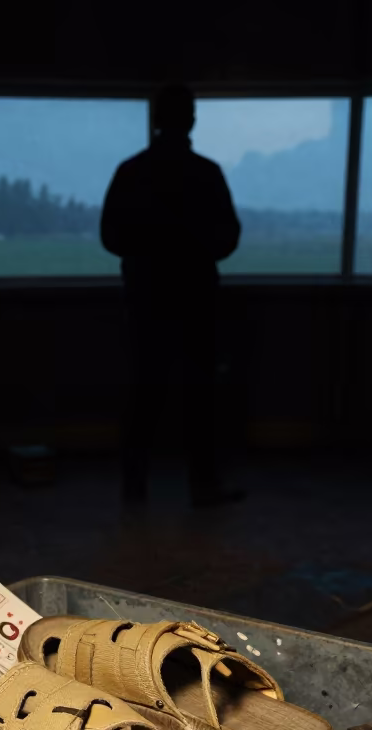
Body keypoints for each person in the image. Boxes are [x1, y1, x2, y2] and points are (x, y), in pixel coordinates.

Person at [100, 83, 244, 506]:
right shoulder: (206, 173)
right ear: (192, 120)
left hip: (146, 299)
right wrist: (193, 251)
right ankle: (203, 485)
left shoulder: (132, 172)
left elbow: (110, 236)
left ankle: (134, 487)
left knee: (144, 391)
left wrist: (148, 253)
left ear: (156, 120)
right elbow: (228, 237)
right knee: (199, 394)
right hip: (197, 299)